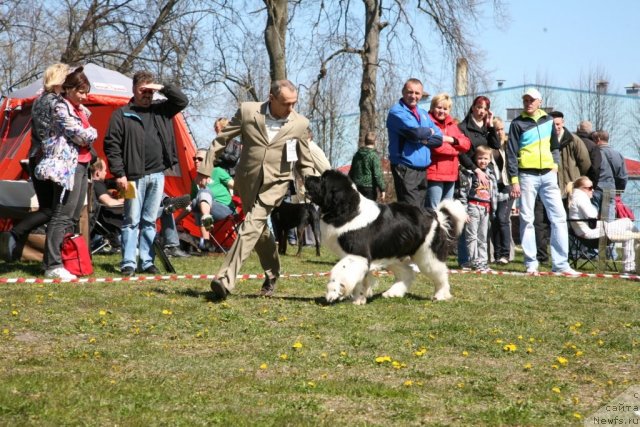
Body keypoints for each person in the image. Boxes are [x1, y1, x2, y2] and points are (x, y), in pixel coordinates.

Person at [203, 80, 318, 300]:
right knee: (257, 229)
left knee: (251, 224)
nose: (291, 109)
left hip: (276, 183)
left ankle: (225, 279)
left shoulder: (299, 123)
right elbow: (222, 139)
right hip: (247, 180)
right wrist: (205, 168)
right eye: (286, 103)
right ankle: (273, 273)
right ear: (271, 98)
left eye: (294, 103)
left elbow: (304, 159)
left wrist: (312, 185)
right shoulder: (248, 111)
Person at [104, 70, 189, 276]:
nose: (147, 95)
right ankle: (128, 263)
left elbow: (182, 101)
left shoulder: (161, 110)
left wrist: (161, 88)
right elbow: (111, 146)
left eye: (150, 92)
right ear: (133, 89)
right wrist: (119, 174)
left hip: (158, 175)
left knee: (150, 221)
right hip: (130, 178)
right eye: (143, 91)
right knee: (130, 220)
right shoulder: (121, 114)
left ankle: (147, 261)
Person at [0, 63, 69, 263]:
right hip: (49, 159)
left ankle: (15, 235)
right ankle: (53, 256)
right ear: (60, 80)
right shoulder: (56, 102)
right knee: (55, 210)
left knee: (47, 209)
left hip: (35, 157)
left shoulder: (39, 100)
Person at [34, 66, 97, 279]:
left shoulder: (71, 106)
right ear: (66, 85)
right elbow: (78, 134)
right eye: (80, 90)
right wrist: (92, 133)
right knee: (61, 214)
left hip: (80, 163)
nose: (84, 96)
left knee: (70, 215)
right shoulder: (54, 104)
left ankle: (62, 260)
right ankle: (53, 264)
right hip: (65, 165)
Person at [507, 88, 578, 275]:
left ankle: (561, 264)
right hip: (527, 176)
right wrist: (514, 180)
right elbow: (511, 153)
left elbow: (555, 146)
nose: (528, 103)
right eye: (525, 100)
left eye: (531, 100)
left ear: (539, 101)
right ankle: (531, 264)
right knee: (527, 219)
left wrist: (555, 166)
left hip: (548, 175)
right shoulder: (517, 123)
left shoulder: (548, 121)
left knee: (559, 218)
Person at [91, 158, 190, 257]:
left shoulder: (96, 184)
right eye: (104, 170)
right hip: (117, 217)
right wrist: (124, 201)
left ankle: (166, 203)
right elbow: (109, 202)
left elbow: (110, 187)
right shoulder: (97, 185)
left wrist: (117, 186)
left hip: (116, 216)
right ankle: (166, 204)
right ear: (97, 173)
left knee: (135, 185)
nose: (106, 172)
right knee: (158, 204)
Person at [535, 111, 593, 263]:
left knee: (564, 223)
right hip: (546, 186)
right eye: (553, 124)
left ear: (563, 123)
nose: (556, 127)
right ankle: (542, 257)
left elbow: (585, 163)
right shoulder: (542, 139)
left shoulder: (574, 140)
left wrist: (575, 182)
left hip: (567, 190)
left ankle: (563, 256)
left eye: (558, 124)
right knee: (540, 222)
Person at [386, 78, 442, 207]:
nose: (413, 96)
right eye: (410, 92)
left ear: (421, 95)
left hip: (423, 170)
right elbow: (416, 133)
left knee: (420, 213)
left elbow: (438, 140)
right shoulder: (397, 112)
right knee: (411, 213)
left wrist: (422, 136)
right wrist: (428, 132)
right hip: (406, 168)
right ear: (403, 92)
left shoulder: (423, 113)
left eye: (417, 93)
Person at [567, 176, 638, 274]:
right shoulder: (580, 197)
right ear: (581, 189)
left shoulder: (576, 196)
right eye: (590, 188)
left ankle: (630, 267)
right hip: (590, 236)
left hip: (589, 233)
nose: (593, 190)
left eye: (593, 187)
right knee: (629, 229)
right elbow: (592, 215)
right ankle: (629, 268)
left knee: (627, 224)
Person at [424, 93, 471, 209]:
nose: (442, 111)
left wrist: (451, 139)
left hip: (451, 174)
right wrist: (456, 150)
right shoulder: (427, 123)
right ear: (432, 107)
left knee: (446, 211)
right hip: (435, 174)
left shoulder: (452, 125)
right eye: (439, 107)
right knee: (433, 209)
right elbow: (436, 147)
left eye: (445, 109)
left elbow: (466, 144)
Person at [459, 145, 497, 272]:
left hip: (486, 208)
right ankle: (473, 260)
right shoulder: (469, 174)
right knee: (472, 236)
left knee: (483, 236)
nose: (483, 161)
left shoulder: (491, 175)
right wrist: (464, 211)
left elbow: (494, 193)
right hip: (473, 207)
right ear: (475, 159)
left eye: (486, 158)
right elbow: (463, 193)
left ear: (490, 159)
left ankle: (482, 261)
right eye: (480, 158)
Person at [489, 117, 514, 265]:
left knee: (502, 218)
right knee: (495, 221)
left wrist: (516, 184)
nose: (499, 132)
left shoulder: (508, 145)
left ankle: (505, 254)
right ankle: (497, 254)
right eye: (495, 129)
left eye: (501, 129)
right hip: (493, 187)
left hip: (508, 185)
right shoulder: (488, 146)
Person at [593, 130, 627, 219]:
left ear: (598, 139)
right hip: (610, 188)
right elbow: (622, 176)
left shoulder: (595, 153)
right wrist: (618, 190)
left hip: (596, 188)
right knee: (608, 220)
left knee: (592, 217)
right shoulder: (618, 155)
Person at [348, 131, 386, 201]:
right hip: (370, 189)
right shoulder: (374, 156)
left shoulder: (356, 155)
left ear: (365, 141)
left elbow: (351, 172)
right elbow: (377, 174)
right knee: (370, 210)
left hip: (357, 187)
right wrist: (382, 189)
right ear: (375, 142)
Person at [575, 120, 602, 189]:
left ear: (579, 129)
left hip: (572, 181)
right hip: (586, 183)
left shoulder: (571, 142)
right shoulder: (593, 146)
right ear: (590, 131)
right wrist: (592, 185)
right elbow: (595, 167)